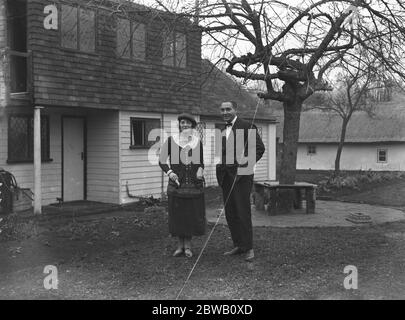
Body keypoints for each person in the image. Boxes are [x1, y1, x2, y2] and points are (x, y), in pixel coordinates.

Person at [216, 101, 265, 262]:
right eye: (222, 110)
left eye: (228, 109)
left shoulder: (247, 126)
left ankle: (249, 248)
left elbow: (259, 149)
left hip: (242, 177)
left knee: (243, 212)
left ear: (235, 110)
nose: (225, 112)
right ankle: (239, 245)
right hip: (226, 177)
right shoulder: (222, 130)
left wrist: (244, 166)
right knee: (231, 213)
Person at [159, 113, 206, 258]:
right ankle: (180, 246)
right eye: (182, 123)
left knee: (190, 215)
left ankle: (188, 247)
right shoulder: (171, 141)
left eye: (188, 123)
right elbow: (162, 161)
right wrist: (170, 172)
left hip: (193, 185)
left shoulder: (197, 142)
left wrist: (200, 169)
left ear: (192, 126)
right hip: (177, 185)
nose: (184, 125)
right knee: (178, 216)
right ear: (179, 125)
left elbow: (201, 162)